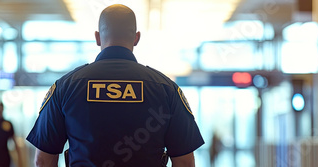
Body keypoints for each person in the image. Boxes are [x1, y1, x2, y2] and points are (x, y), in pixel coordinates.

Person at [26, 4, 204, 167]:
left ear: (97, 37)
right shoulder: (166, 89)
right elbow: (185, 162)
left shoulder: (66, 87)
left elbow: (43, 160)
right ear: (136, 38)